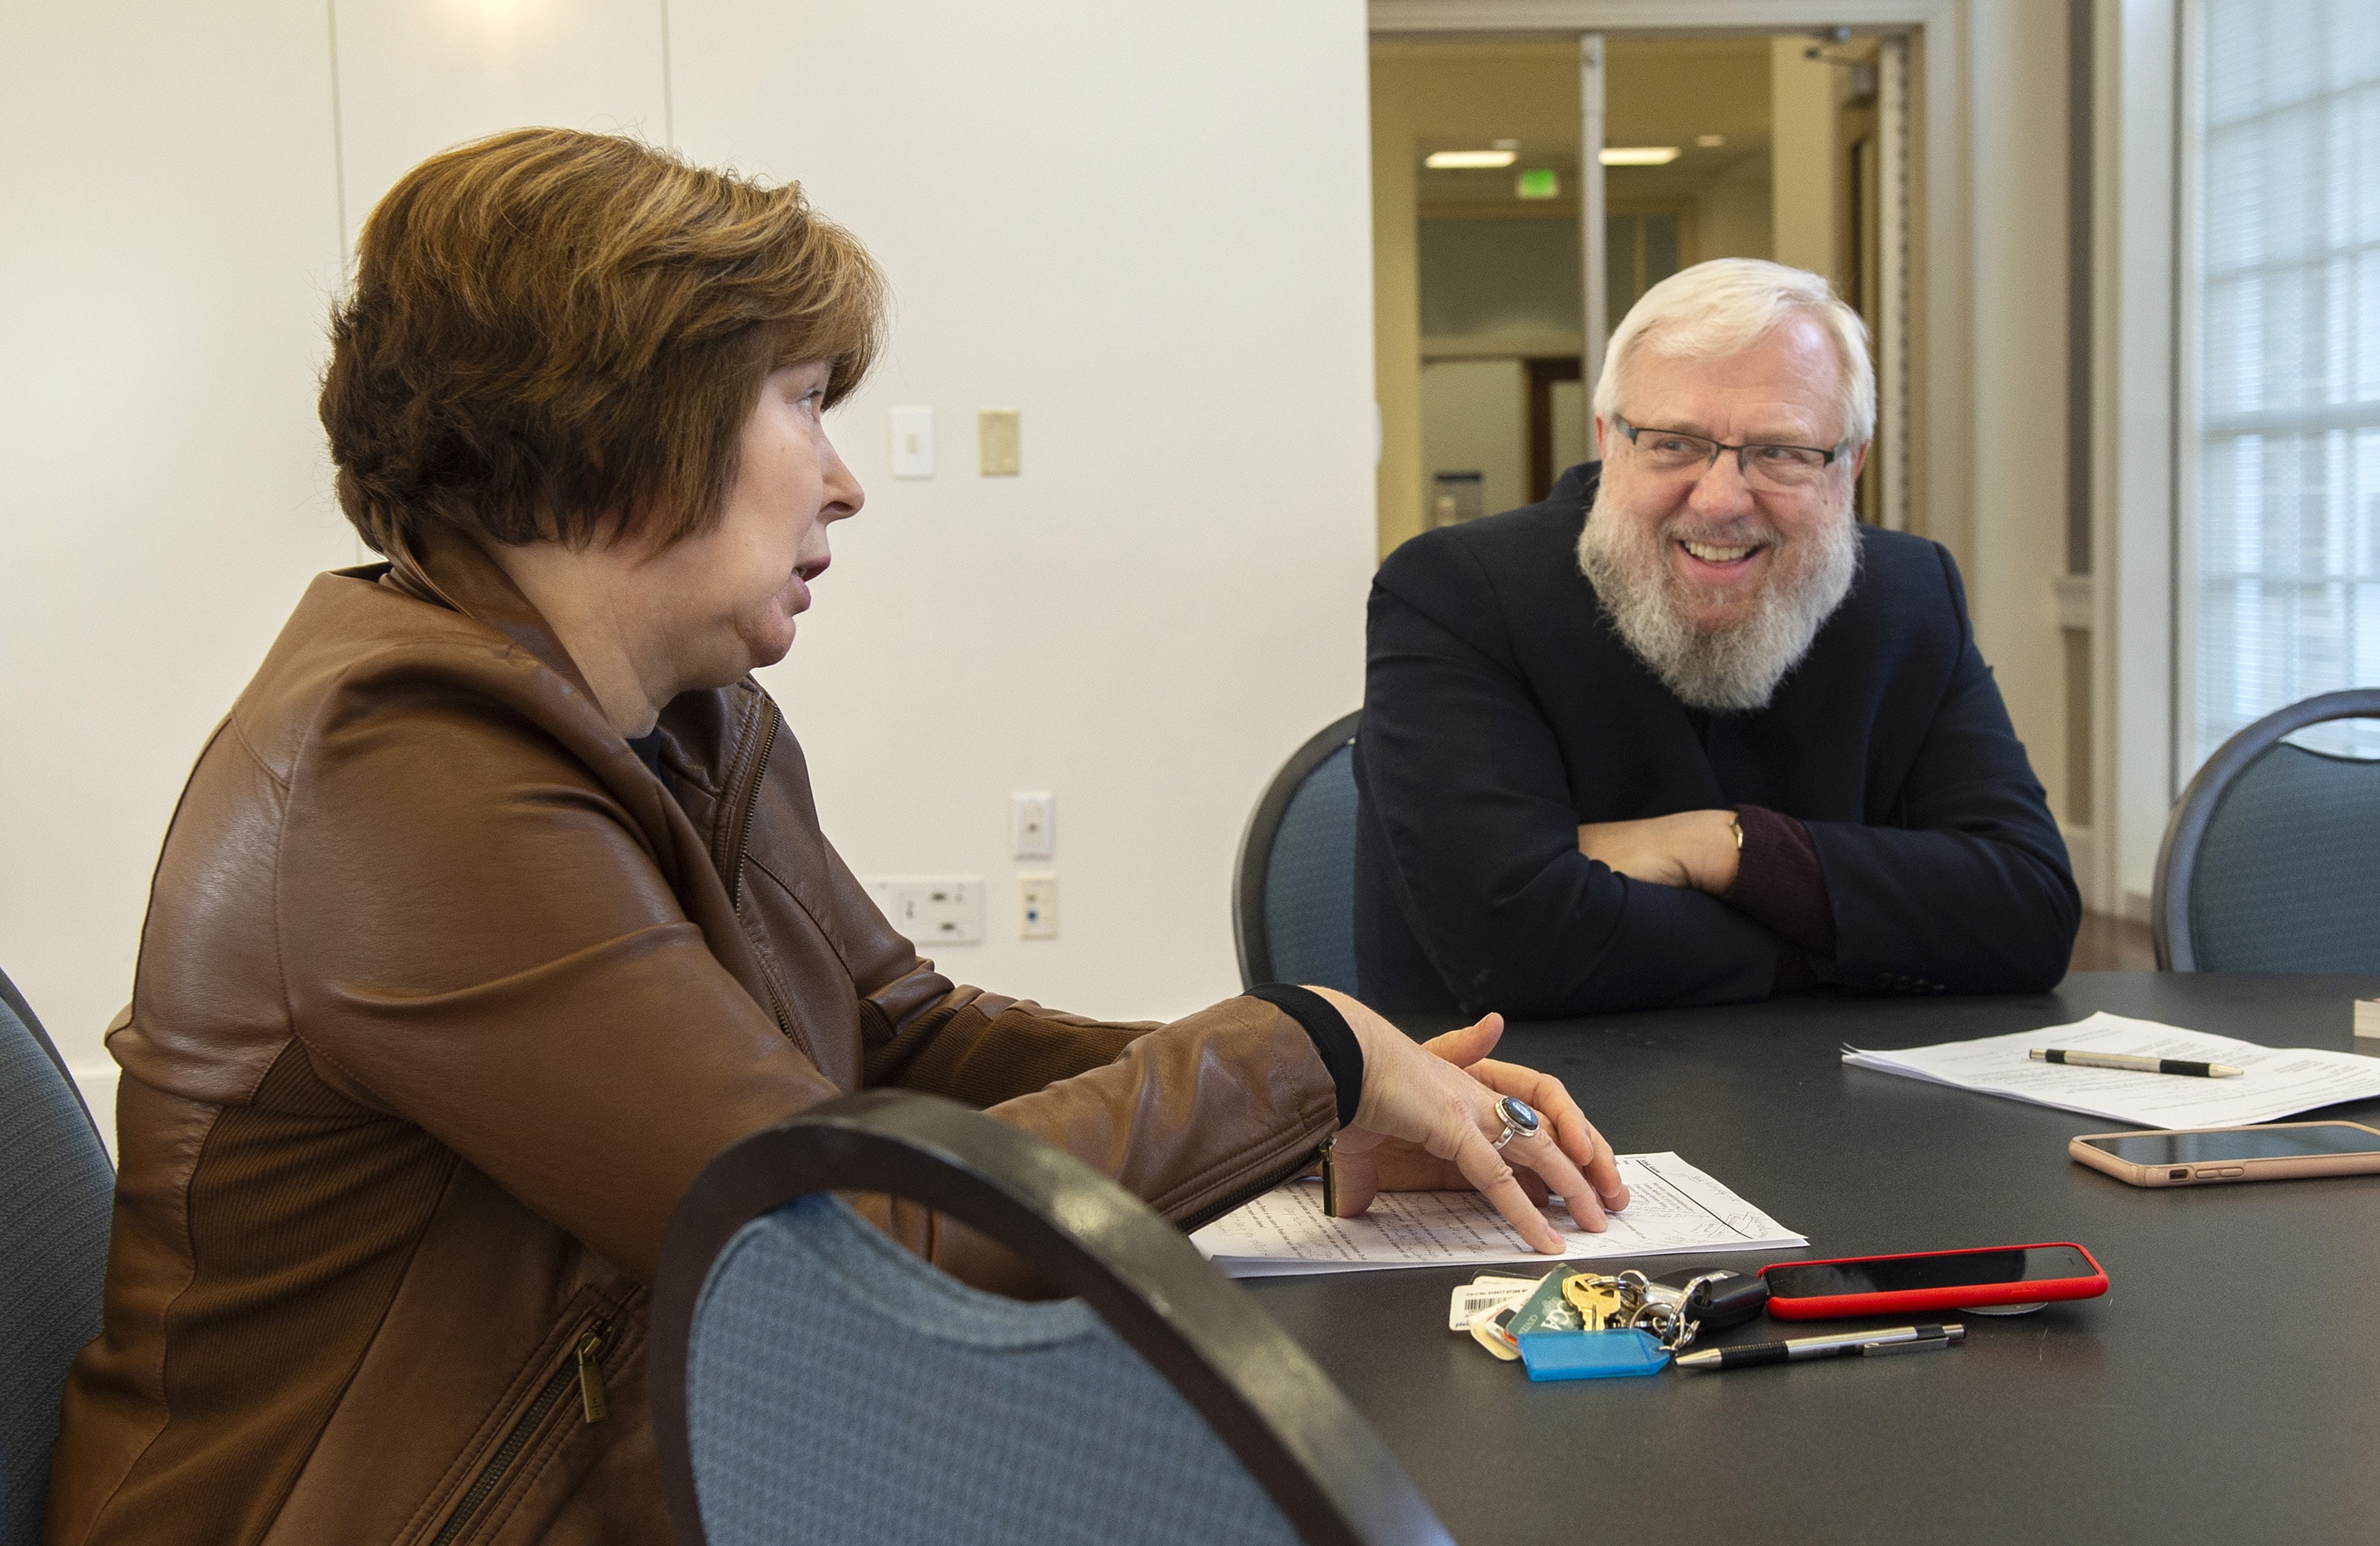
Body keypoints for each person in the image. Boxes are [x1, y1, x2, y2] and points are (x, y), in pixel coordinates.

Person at [47, 128, 1626, 1546]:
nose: (850, 477)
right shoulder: (401, 777)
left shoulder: (675, 713)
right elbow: (831, 1246)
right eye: (803, 400)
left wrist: (1303, 1108)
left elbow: (905, 1043)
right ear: (620, 427)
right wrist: (1305, 1053)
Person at [1354, 258, 2080, 1018]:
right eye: (1673, 442)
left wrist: (1724, 849)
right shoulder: (1458, 595)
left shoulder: (1909, 597)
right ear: (1609, 444)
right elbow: (1514, 946)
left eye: (1782, 451)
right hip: (1531, 1113)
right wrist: (1850, 938)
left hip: (1848, 1108)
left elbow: (2031, 911)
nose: (1723, 499)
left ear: (1850, 466)